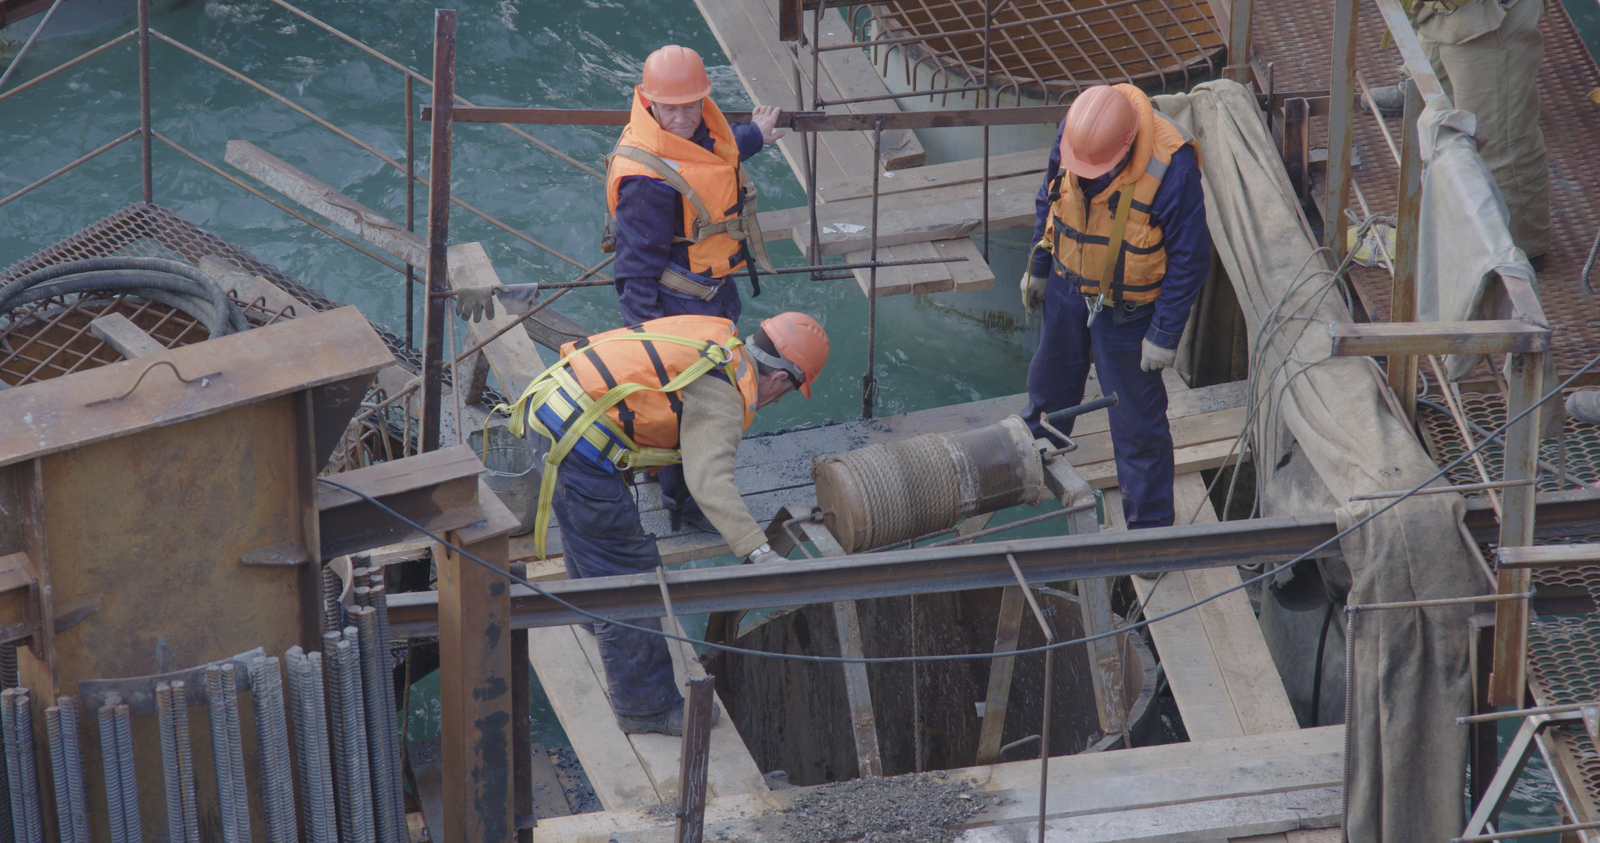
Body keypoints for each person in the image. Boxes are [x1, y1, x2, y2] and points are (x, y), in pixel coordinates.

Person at [495, 312, 829, 735]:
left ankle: (589, 611)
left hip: (551, 406)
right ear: (780, 378)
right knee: (628, 576)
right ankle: (646, 709)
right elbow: (709, 481)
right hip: (577, 438)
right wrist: (759, 552)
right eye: (787, 392)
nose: (777, 401)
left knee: (591, 536)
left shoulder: (716, 339)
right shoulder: (724, 395)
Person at [605, 43, 786, 532]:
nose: (683, 116)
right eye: (672, 107)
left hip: (713, 294)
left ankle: (666, 475)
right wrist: (647, 337)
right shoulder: (648, 182)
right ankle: (683, 505)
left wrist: (756, 135)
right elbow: (634, 269)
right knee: (691, 407)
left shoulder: (695, 127)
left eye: (691, 104)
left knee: (704, 397)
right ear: (648, 102)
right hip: (675, 306)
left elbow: (713, 154)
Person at [1019, 84, 1210, 530]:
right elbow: (1048, 196)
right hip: (1069, 291)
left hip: (1129, 313)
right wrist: (1039, 264)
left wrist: (1163, 335)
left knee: (1137, 429)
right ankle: (1024, 475)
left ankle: (1148, 533)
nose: (1085, 175)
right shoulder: (1078, 131)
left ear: (1125, 149)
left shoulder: (1172, 165)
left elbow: (1191, 256)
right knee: (1046, 395)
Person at [1365, 0, 1549, 263]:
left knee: (1499, 143)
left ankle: (1516, 252)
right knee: (1433, 115)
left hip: (1487, 18)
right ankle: (1443, 228)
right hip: (1441, 11)